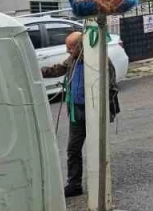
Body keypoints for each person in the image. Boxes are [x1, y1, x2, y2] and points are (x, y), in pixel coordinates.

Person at [42, 31, 120, 198]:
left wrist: (103, 111)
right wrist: (35, 70)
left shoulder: (100, 60)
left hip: (95, 113)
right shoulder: (72, 60)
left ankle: (100, 182)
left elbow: (112, 87)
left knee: (97, 149)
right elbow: (57, 70)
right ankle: (74, 184)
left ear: (80, 46)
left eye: (69, 47)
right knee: (73, 149)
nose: (67, 50)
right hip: (76, 113)